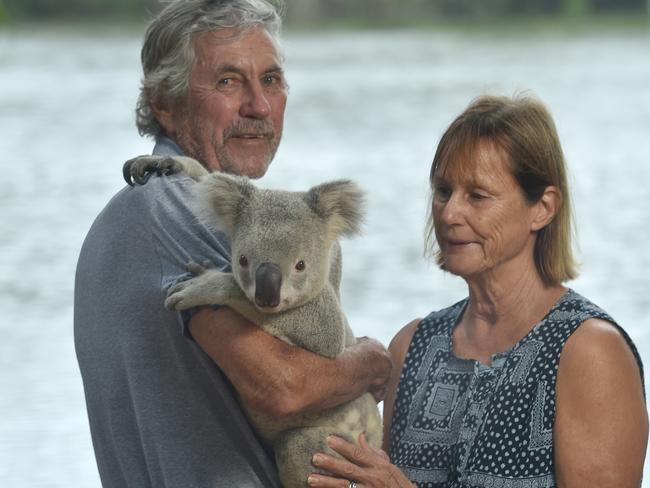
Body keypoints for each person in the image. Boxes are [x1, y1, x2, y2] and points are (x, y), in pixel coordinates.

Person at [73, 1, 391, 487]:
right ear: (164, 102)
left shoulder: (192, 213)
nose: (258, 106)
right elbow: (283, 387)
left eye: (271, 80)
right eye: (227, 81)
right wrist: (370, 365)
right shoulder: (170, 206)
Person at [307, 94, 648, 488]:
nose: (450, 214)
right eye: (442, 191)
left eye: (477, 196)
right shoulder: (412, 346)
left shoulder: (589, 353)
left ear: (543, 208)